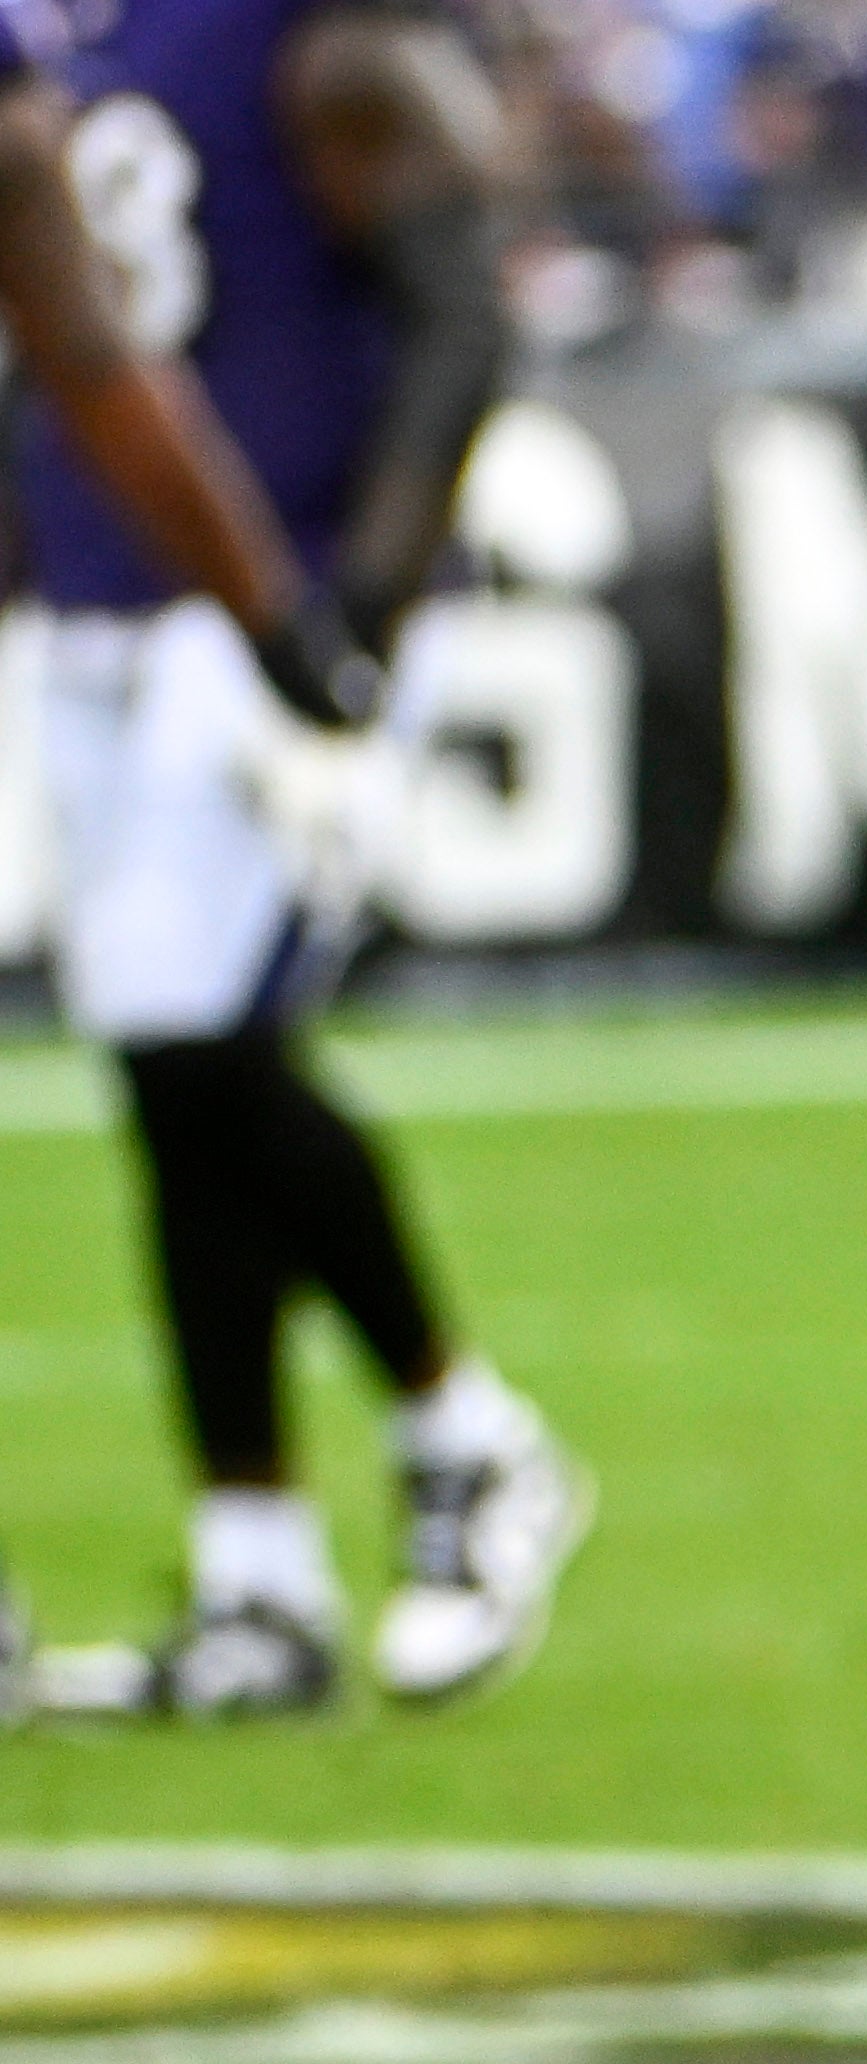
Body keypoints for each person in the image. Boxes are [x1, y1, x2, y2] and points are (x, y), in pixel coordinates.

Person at [7, 0, 581, 1728]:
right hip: (106, 602)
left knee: (204, 1049)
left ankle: (472, 1438)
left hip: (270, 607)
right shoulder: (77, 33)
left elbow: (464, 311)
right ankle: (258, 1572)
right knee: (174, 1079)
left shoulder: (316, 27)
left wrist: (355, 630)